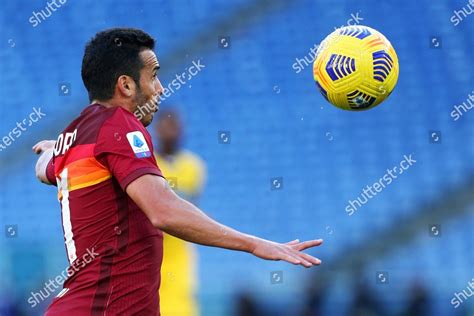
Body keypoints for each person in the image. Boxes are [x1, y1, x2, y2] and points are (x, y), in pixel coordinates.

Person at [32, 27, 323, 315]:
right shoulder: (119, 125)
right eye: (154, 76)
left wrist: (53, 149)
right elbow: (163, 211)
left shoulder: (75, 134)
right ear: (126, 85)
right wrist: (254, 244)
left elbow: (44, 168)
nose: (160, 88)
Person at [155, 110, 205, 316]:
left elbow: (192, 210)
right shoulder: (147, 163)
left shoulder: (193, 167)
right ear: (157, 130)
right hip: (152, 253)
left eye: (174, 127)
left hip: (180, 257)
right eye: (166, 127)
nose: (170, 132)